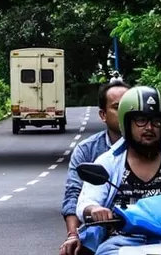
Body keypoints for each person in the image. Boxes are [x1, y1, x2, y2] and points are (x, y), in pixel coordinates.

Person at [76, 84, 161, 254]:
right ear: (127, 123)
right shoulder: (108, 162)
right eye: (141, 120)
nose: (149, 128)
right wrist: (94, 209)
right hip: (122, 243)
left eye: (156, 121)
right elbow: (87, 200)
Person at [60, 79, 130, 255]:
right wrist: (72, 235)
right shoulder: (88, 151)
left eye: (129, 107)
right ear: (103, 114)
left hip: (154, 229)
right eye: (117, 107)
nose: (124, 113)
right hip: (105, 231)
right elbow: (73, 194)